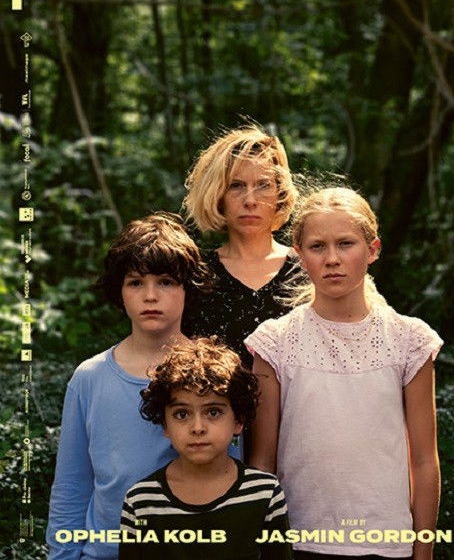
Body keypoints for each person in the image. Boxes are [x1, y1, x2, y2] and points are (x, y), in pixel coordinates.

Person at [246, 187, 443, 560]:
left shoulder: (410, 340)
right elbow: (262, 463)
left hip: (387, 545)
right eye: (317, 247)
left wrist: (424, 552)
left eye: (346, 244)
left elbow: (423, 461)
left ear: (372, 250)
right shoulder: (274, 342)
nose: (332, 259)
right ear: (299, 255)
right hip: (299, 541)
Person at [46, 212, 207, 560]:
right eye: (135, 282)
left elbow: (231, 478)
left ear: (187, 288)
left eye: (165, 281)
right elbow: (71, 486)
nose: (150, 296)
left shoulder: (213, 374)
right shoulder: (89, 378)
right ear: (119, 291)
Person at [119, 337, 292, 560]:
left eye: (213, 412)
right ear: (165, 424)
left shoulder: (264, 493)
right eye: (182, 414)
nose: (198, 428)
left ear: (238, 420)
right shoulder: (141, 501)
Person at [182, 125, 300, 369]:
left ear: (279, 192)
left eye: (263, 185)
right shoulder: (195, 276)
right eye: (236, 185)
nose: (250, 200)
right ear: (218, 195)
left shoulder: (309, 270)